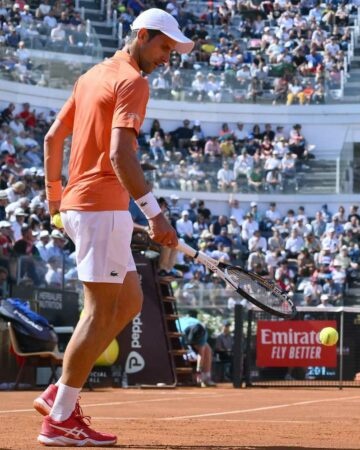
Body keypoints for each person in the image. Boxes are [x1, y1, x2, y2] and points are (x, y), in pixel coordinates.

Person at [35, 9, 192, 447]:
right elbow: (122, 157)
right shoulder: (133, 82)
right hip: (101, 208)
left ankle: (57, 394)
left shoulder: (91, 76)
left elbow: (52, 139)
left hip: (83, 208)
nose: (167, 58)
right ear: (142, 36)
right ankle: (60, 419)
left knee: (129, 301)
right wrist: (155, 214)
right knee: (99, 311)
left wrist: (54, 203)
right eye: (164, 47)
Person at [177, 310, 216, 387]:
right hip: (180, 335)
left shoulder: (203, 332)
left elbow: (200, 355)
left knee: (207, 349)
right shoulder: (181, 333)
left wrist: (198, 372)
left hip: (191, 331)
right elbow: (182, 353)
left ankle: (206, 377)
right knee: (187, 356)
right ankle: (187, 378)